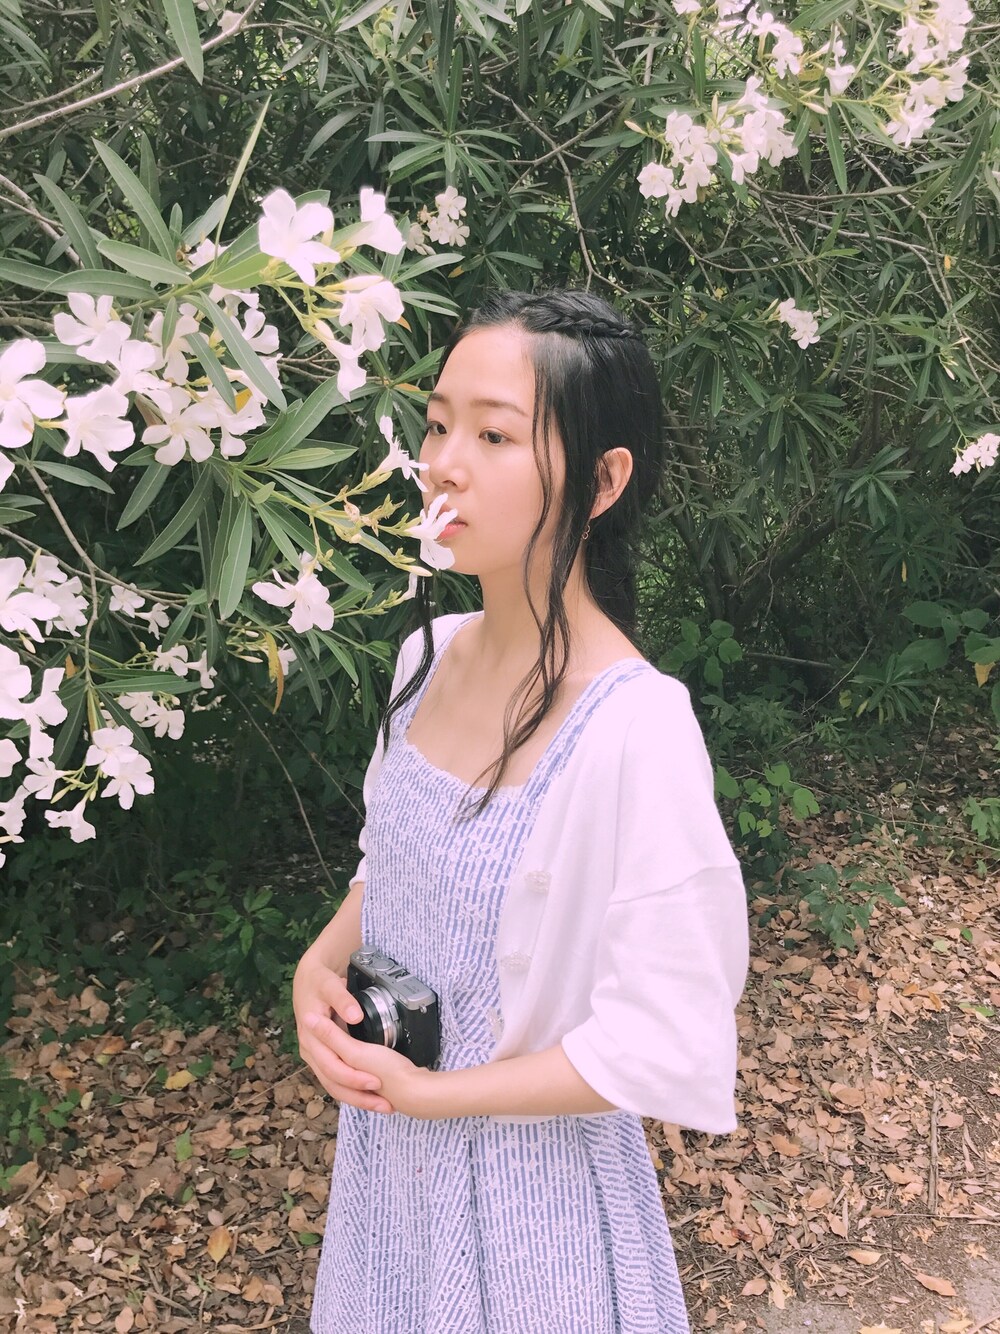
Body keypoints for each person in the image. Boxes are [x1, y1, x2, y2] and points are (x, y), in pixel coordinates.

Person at [294, 289, 749, 1334]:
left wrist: (434, 1094)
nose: (444, 464)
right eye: (437, 425)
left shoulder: (634, 726)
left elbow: (663, 1036)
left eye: (494, 435)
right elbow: (388, 865)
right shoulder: (426, 655)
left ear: (602, 481)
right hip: (387, 1186)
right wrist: (319, 965)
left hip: (534, 1217)